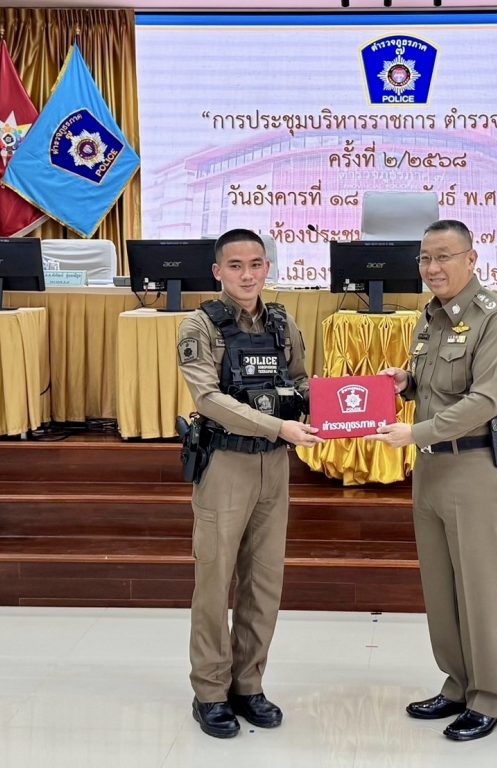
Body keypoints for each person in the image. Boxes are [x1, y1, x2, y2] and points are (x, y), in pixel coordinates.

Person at [366, 219, 497, 742]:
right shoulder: (429, 316)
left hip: (477, 469)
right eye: (425, 258)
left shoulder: (496, 318)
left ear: (471, 259)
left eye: (444, 257)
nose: (432, 268)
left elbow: (484, 401)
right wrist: (405, 383)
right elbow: (437, 386)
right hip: (431, 468)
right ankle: (457, 685)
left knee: (481, 590)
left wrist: (415, 432)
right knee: (441, 589)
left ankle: (490, 698)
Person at [178, 228, 323, 738]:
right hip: (225, 465)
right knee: (215, 583)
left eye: (256, 264)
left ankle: (248, 685)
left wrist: (347, 405)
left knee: (264, 583)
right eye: (235, 265)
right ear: (217, 271)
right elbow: (208, 399)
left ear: (267, 268)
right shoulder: (200, 325)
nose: (247, 275)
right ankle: (210, 692)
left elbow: (300, 381)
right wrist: (277, 426)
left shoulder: (283, 322)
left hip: (274, 467)